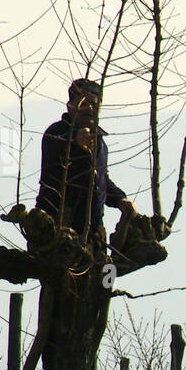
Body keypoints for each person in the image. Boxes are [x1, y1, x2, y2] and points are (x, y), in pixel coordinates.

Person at [36, 78, 137, 247]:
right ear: (70, 106)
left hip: (94, 232)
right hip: (59, 229)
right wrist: (75, 139)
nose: (90, 108)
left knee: (106, 273)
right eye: (84, 103)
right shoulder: (56, 133)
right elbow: (59, 145)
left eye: (94, 104)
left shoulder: (100, 143)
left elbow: (101, 179)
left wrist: (120, 199)